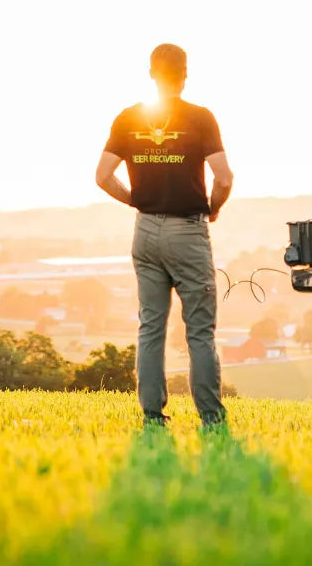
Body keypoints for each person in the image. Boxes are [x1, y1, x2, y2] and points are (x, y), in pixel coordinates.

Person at [95, 43, 233, 427]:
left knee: (151, 327)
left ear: (151, 74)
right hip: (187, 231)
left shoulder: (128, 118)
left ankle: (153, 415)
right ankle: (211, 417)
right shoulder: (201, 118)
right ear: (185, 74)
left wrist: (136, 201)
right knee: (199, 331)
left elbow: (102, 176)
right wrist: (214, 207)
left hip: (145, 231)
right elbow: (223, 178)